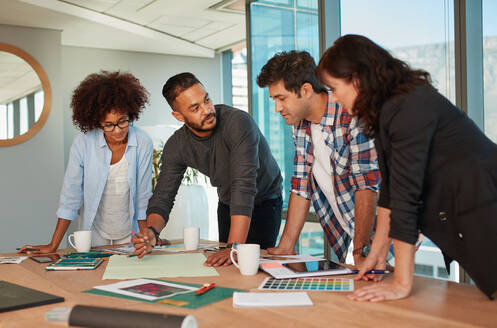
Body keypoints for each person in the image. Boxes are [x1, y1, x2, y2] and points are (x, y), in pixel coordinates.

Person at [317, 34, 497, 301]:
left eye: (333, 88)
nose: (333, 99)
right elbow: (389, 191)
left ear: (356, 79)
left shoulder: (407, 106)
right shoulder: (385, 111)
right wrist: (376, 255)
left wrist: (401, 282)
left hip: (486, 205)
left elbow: (405, 198)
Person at [132, 72, 283, 266]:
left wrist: (234, 246)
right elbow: (163, 197)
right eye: (195, 108)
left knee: (251, 266)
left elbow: (243, 186)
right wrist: (151, 233)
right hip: (228, 202)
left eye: (207, 100)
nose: (207, 110)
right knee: (226, 266)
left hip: (264, 201)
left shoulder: (238, 122)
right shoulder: (177, 145)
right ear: (178, 116)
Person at [256, 51, 381, 266]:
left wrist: (362, 251)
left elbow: (366, 187)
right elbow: (301, 186)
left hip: (385, 240)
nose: (277, 108)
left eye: (281, 98)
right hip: (351, 238)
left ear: (305, 90)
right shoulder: (300, 126)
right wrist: (286, 245)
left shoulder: (351, 115)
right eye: (274, 99)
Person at [18, 71, 153, 254]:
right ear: (96, 121)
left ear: (131, 113)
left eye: (122, 121)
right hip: (94, 233)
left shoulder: (143, 142)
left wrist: (146, 238)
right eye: (108, 124)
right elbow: (70, 196)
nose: (117, 130)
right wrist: (53, 245)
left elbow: (143, 198)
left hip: (130, 233)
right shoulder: (83, 144)